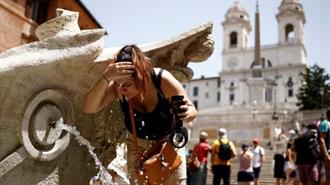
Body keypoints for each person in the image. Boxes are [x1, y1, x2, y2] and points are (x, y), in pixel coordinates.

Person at [83, 44, 198, 185]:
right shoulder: (119, 87)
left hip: (169, 143)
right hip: (137, 145)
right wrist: (106, 77)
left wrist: (186, 113)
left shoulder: (162, 79)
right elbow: (89, 108)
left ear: (141, 76)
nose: (121, 89)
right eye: (118, 84)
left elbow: (193, 111)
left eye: (127, 85)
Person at [320, 109, 330, 183]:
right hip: (328, 155)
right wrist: (326, 155)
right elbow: (321, 139)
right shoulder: (325, 123)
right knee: (328, 179)